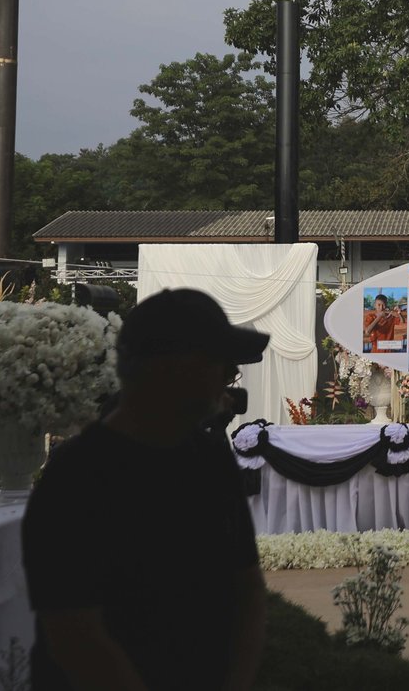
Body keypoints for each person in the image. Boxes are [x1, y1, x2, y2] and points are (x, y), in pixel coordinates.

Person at [22, 288, 267, 690]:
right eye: (222, 367)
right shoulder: (76, 477)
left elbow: (248, 589)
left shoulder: (209, 457)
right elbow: (74, 633)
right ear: (174, 369)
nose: (228, 382)